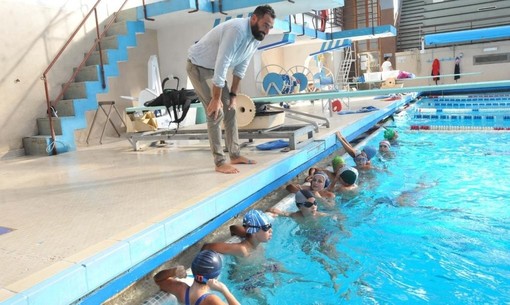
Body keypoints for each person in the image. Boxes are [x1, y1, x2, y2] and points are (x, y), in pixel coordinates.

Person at [186, 5, 276, 174]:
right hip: (198, 66)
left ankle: (234, 155)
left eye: (270, 27)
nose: (267, 30)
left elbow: (241, 67)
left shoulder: (256, 38)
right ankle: (219, 162)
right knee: (215, 111)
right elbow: (223, 62)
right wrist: (215, 98)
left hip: (213, 69)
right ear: (254, 18)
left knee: (230, 109)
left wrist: (233, 95)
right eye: (265, 25)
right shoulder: (237, 30)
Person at [154, 250, 240, 305]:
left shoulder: (181, 289)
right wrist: (224, 290)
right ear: (215, 277)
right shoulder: (211, 300)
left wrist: (173, 271)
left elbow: (158, 279)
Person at [202, 209, 272, 258]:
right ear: (254, 232)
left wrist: (245, 233)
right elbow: (206, 247)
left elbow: (233, 227)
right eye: (266, 227)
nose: (270, 230)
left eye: (270, 226)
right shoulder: (242, 249)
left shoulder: (258, 244)